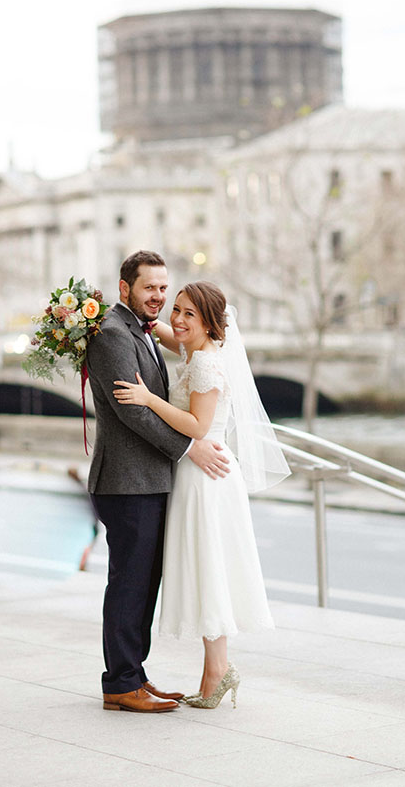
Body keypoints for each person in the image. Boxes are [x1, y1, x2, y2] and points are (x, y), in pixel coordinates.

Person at [114, 281, 290, 709]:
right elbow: (170, 335)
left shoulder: (208, 365)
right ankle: (217, 671)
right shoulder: (196, 349)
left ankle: (218, 670)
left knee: (211, 567)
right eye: (177, 309)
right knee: (207, 569)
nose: (178, 319)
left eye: (189, 314)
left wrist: (148, 399)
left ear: (210, 322)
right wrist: (144, 320)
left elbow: (196, 425)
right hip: (196, 472)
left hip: (205, 474)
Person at [85, 251, 230, 713]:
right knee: (129, 585)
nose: (160, 297)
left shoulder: (140, 331)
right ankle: (120, 684)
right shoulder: (112, 334)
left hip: (148, 480)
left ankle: (135, 676)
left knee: (143, 584)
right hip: (127, 481)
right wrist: (190, 449)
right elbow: (133, 411)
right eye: (151, 288)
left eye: (164, 289)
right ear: (125, 287)